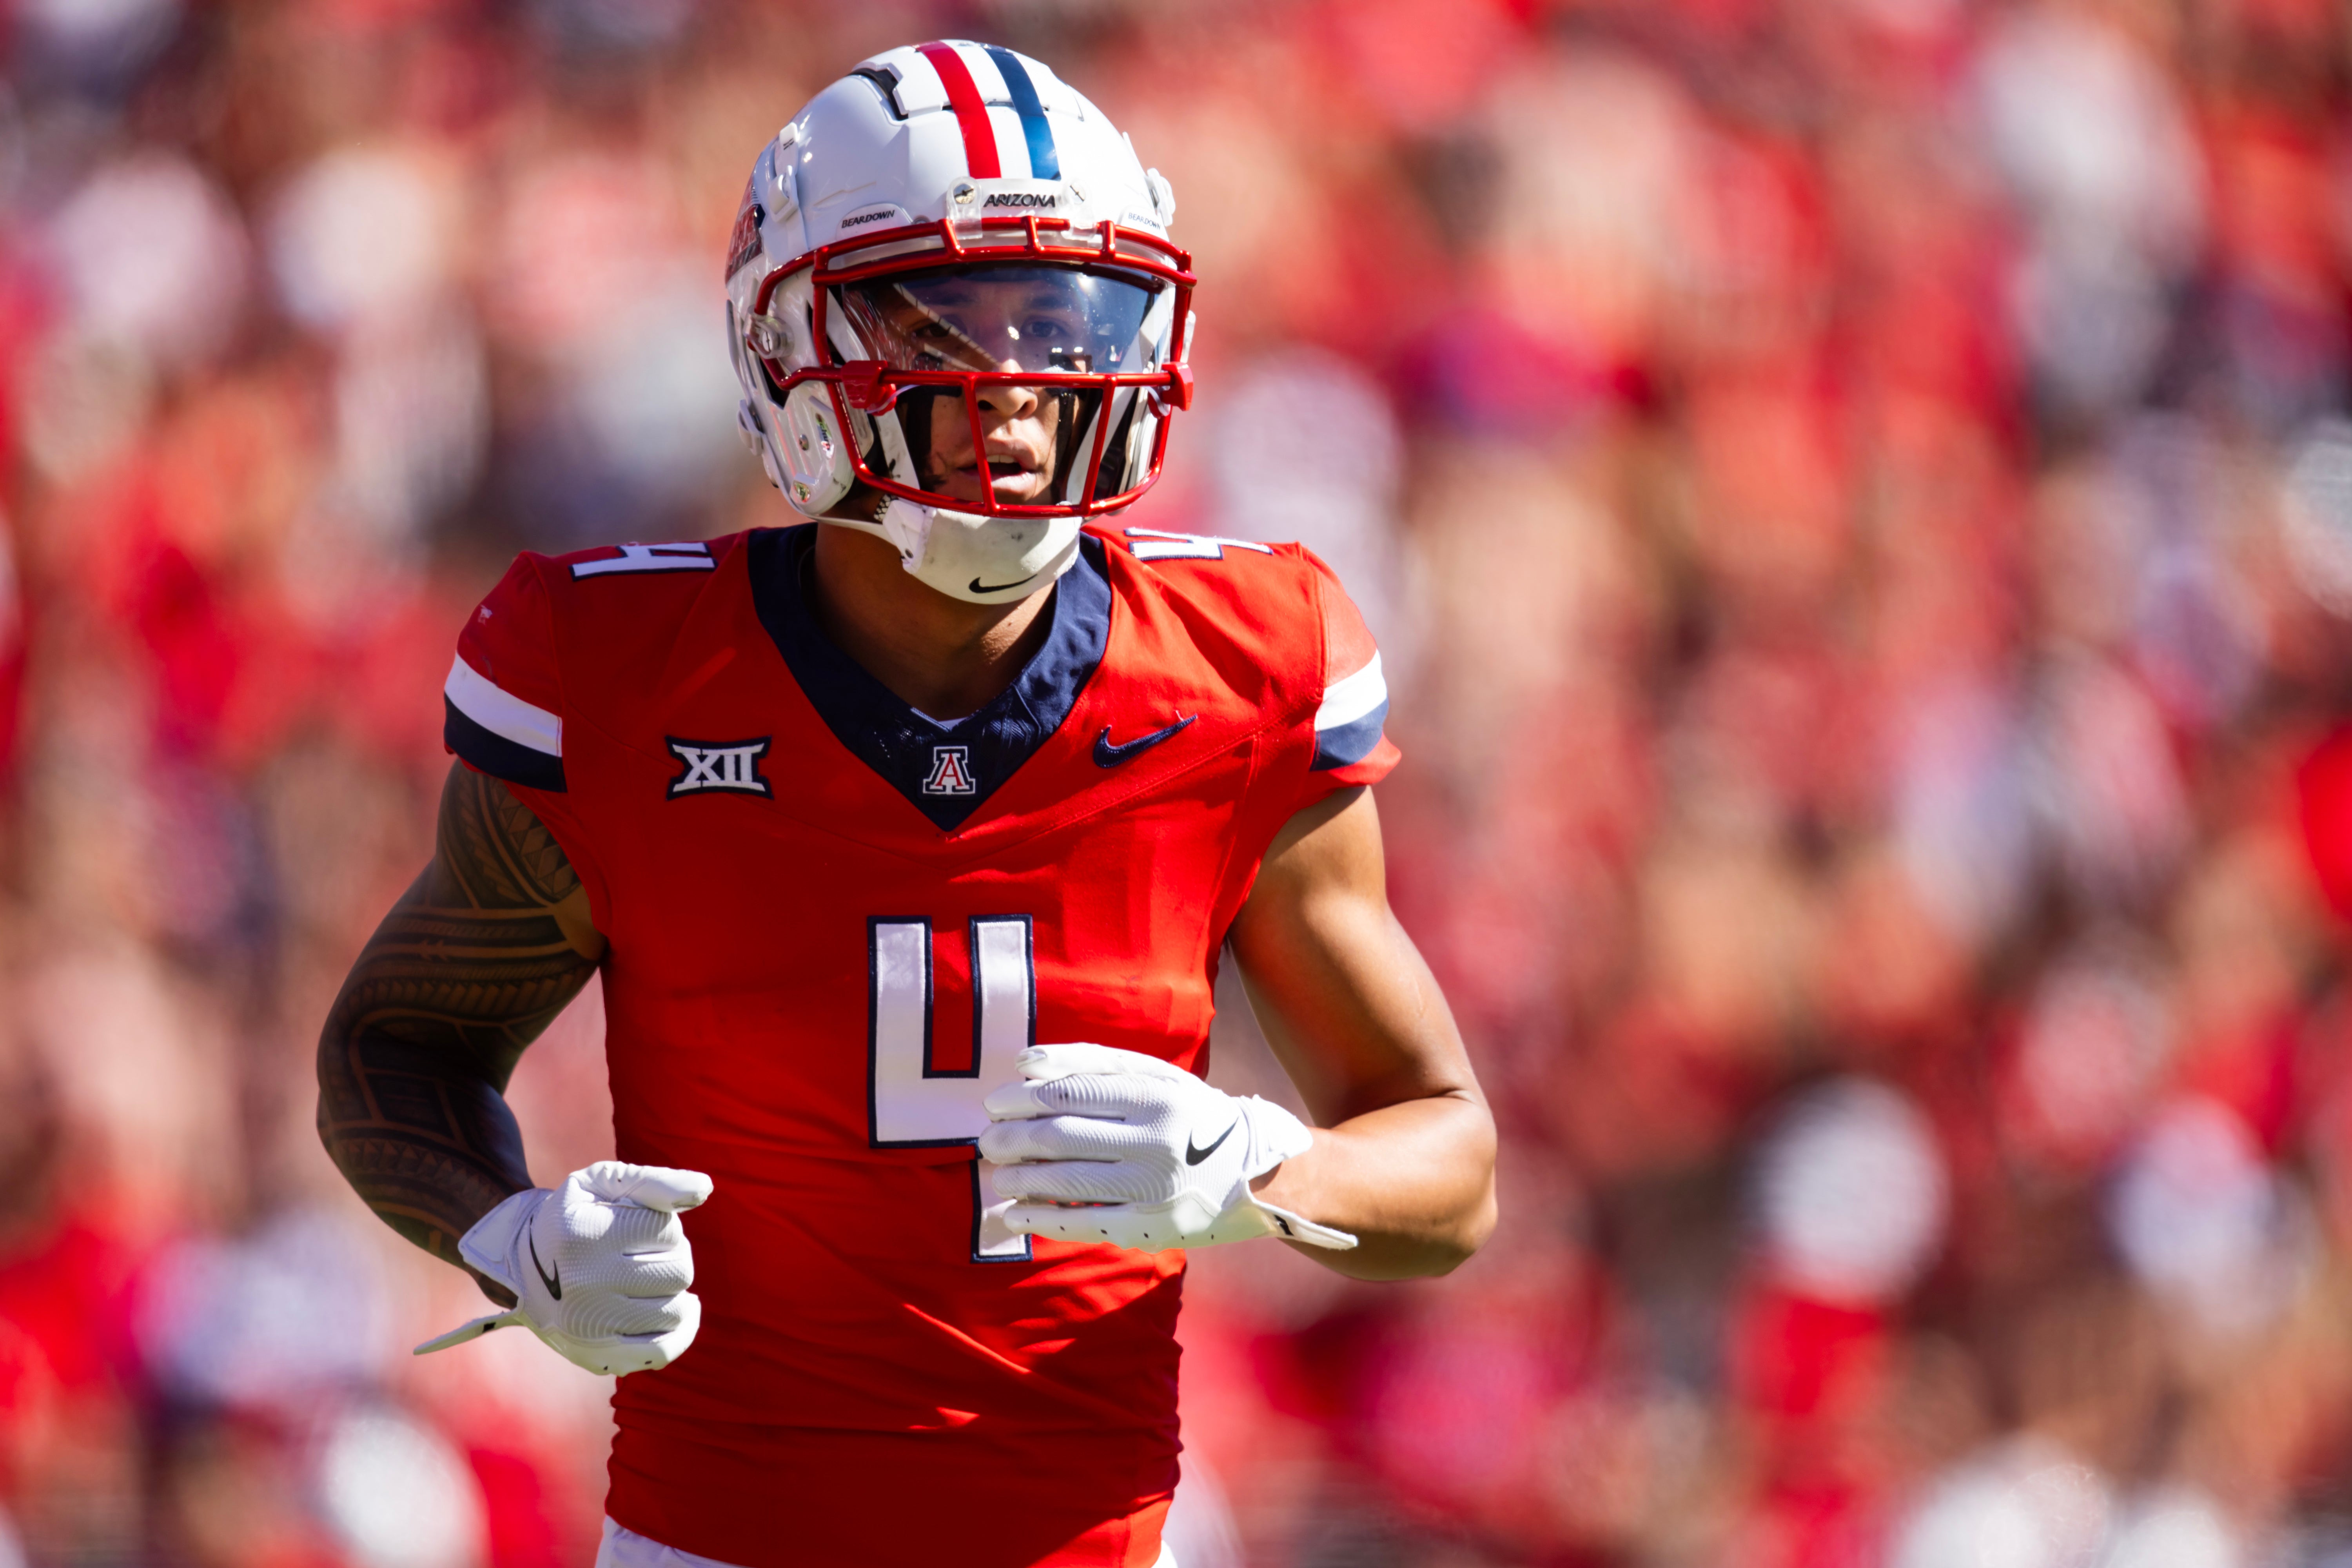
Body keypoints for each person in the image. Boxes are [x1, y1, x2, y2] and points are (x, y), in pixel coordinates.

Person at [316, 39, 1495, 1568]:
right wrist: (513, 1239)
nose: (1018, 386)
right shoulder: (616, 671)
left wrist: (1258, 1172)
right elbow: (393, 1049)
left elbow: (1446, 1161)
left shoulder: (1240, 665)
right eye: (946, 321)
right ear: (788, 346)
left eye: (1065, 322)